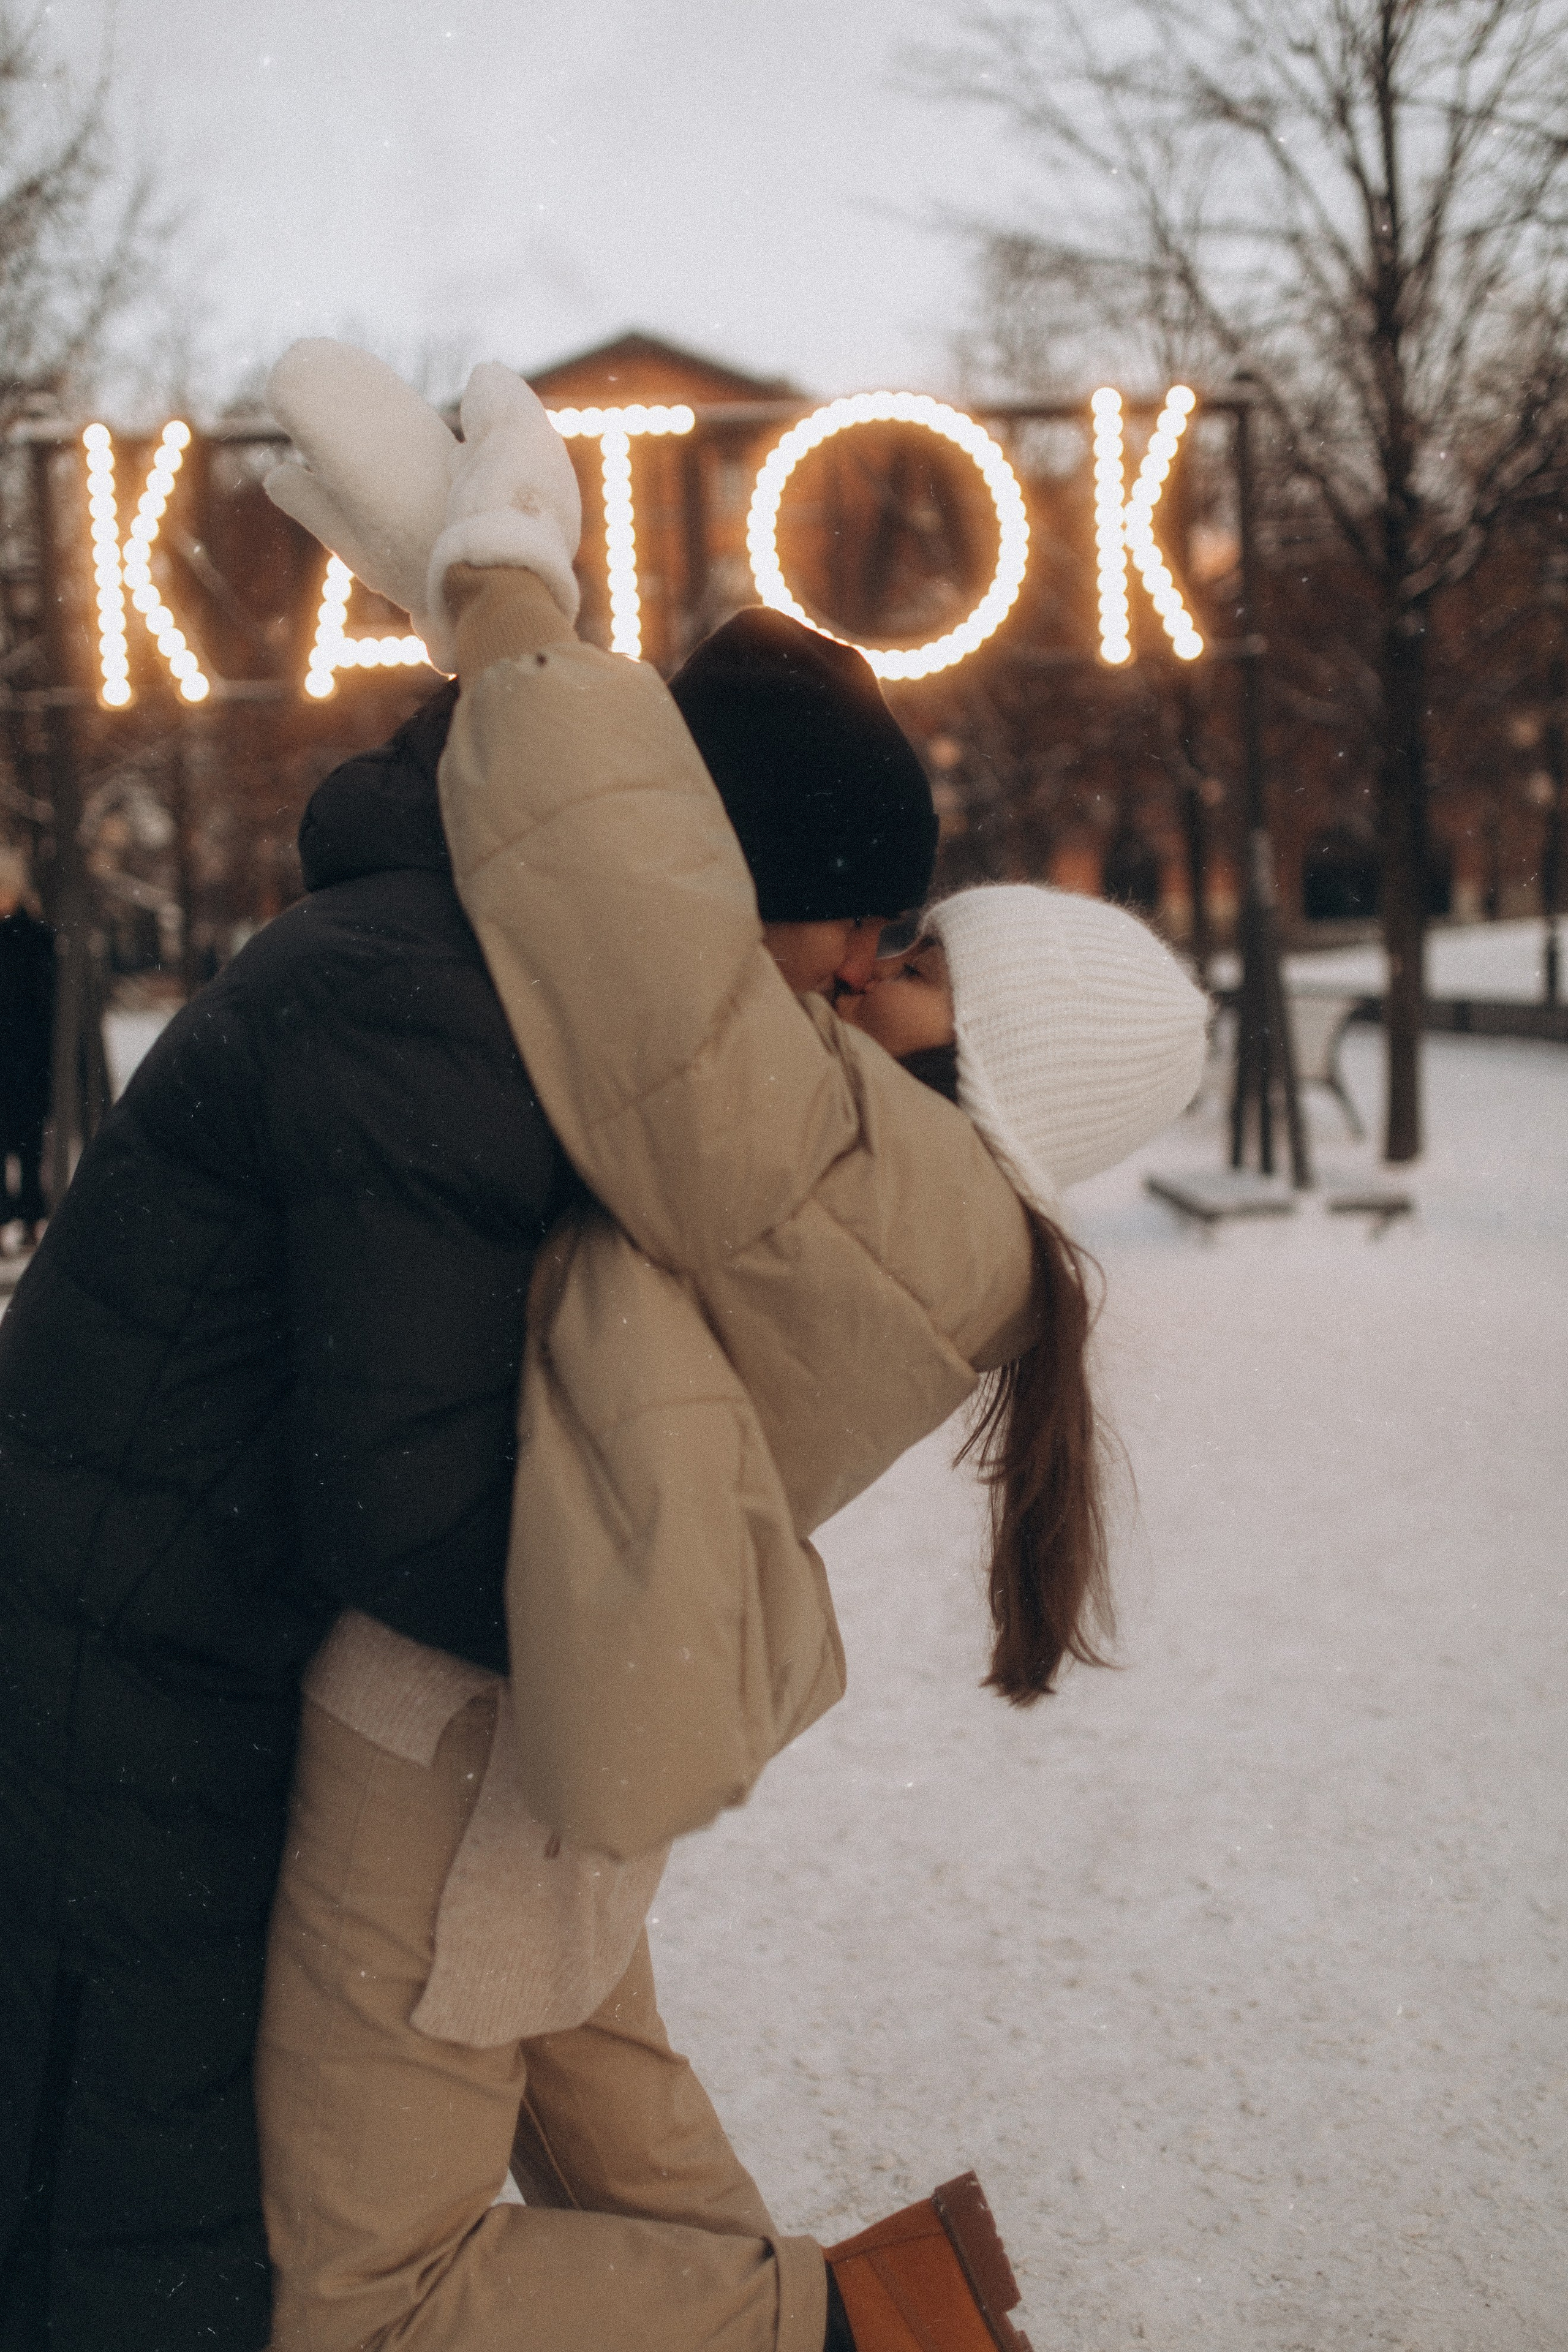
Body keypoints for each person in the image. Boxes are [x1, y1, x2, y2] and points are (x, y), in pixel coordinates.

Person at [249, 361, 1207, 2352]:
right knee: (613, 2126)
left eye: (915, 957)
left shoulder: (875, 1176)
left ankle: (856, 2334)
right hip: (535, 1681)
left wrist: (501, 596)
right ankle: (881, 2322)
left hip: (465, 1722)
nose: (859, 965)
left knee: (372, 2300)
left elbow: (634, 900)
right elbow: (663, 911)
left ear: (996, 1069)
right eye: (885, 935)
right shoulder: (915, 1199)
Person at [0, 352, 939, 2352]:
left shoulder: (488, 958)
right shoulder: (446, 1001)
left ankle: (859, 2327)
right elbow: (406, 1485)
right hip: (132, 1672)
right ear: (737, 884)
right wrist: (673, 1618)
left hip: (175, 1632)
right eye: (843, 932)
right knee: (171, 2251)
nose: (846, 987)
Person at [0, 848, 53, 1254]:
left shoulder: (35, 938)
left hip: (27, 1060)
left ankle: (32, 1219)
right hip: (13, 1059)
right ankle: (8, 1220)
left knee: (30, 1147)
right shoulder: (35, 938)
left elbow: (45, 1004)